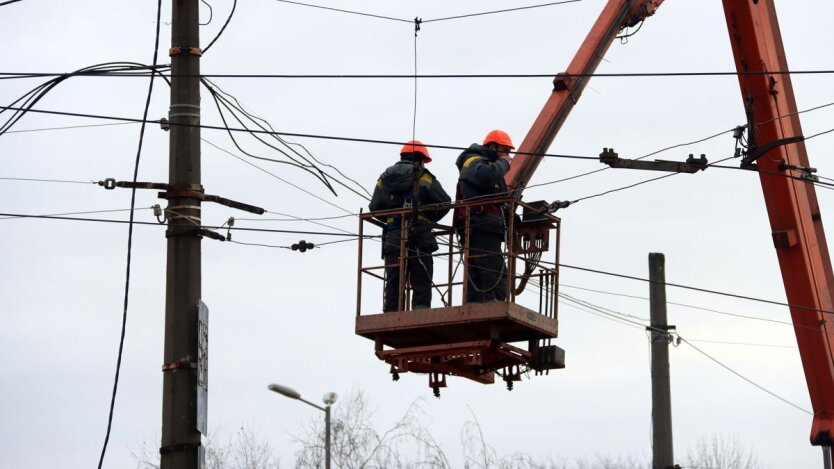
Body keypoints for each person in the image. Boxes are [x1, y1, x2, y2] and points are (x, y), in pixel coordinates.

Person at [369, 140, 451, 312]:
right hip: (419, 234)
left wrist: (393, 219)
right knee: (421, 276)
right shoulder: (423, 176)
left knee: (394, 277)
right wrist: (428, 218)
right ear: (420, 159)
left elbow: (374, 207)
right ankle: (420, 311)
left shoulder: (383, 179)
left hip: (393, 236)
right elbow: (444, 202)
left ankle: (391, 312)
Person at [454, 129, 514, 303]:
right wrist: (504, 163)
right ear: (492, 146)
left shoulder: (489, 165)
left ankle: (476, 304)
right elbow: (485, 177)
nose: (507, 155)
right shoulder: (473, 160)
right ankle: (492, 304)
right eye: (505, 150)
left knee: (483, 268)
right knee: (493, 270)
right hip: (480, 224)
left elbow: (500, 199)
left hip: (485, 225)